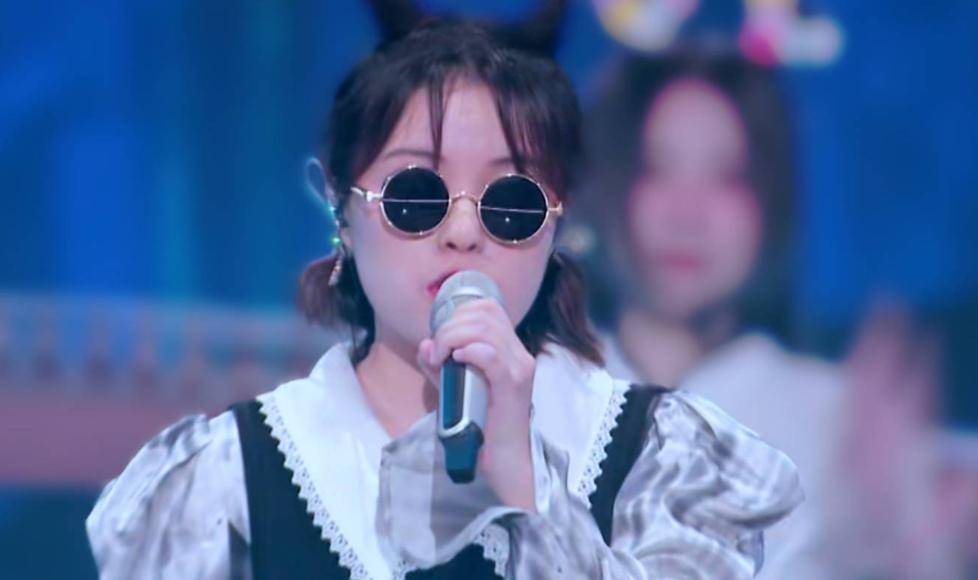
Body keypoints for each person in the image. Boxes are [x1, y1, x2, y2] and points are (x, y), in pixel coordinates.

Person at [86, 22, 801, 579]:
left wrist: (523, 486)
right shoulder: (230, 477)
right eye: (417, 196)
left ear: (556, 227)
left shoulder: (658, 455)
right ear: (342, 212)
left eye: (510, 204)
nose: (463, 232)